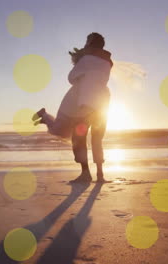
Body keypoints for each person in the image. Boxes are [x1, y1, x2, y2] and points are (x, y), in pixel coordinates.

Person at [33, 32, 113, 183]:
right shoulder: (108, 62)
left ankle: (85, 174)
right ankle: (100, 175)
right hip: (102, 103)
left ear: (90, 43)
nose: (85, 44)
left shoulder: (86, 59)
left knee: (79, 138)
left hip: (85, 103)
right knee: (97, 139)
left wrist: (79, 64)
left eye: (87, 41)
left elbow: (71, 78)